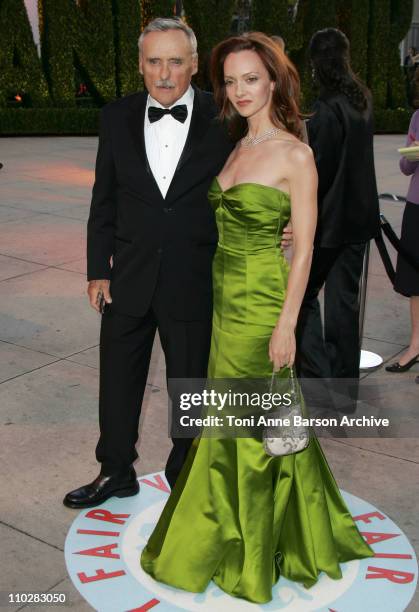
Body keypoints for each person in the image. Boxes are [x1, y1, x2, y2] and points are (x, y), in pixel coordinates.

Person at [140, 32, 373, 604]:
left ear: (274, 81)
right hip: (223, 304)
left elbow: (306, 247)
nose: (240, 90)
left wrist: (288, 323)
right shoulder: (236, 145)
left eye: (252, 78)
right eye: (231, 80)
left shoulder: (296, 153)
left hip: (264, 304)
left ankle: (246, 547)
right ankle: (261, 525)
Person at [63, 17, 234, 509]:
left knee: (190, 387)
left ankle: (186, 475)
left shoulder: (223, 117)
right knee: (117, 381)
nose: (164, 73)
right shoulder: (115, 117)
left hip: (193, 277)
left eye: (175, 61)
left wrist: (281, 220)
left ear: (194, 65)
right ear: (140, 65)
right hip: (128, 278)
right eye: (154, 61)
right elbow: (104, 199)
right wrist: (98, 268)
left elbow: (255, 181)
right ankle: (115, 470)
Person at [296, 29, 380, 388]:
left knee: (302, 296)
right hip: (359, 220)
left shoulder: (327, 107)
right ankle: (344, 387)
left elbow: (321, 172)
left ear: (315, 63)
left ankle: (315, 376)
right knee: (344, 304)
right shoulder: (362, 98)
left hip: (330, 222)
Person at [386, 110, 419, 373]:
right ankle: (416, 345)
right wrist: (413, 153)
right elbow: (405, 168)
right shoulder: (417, 117)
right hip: (416, 206)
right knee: (415, 280)